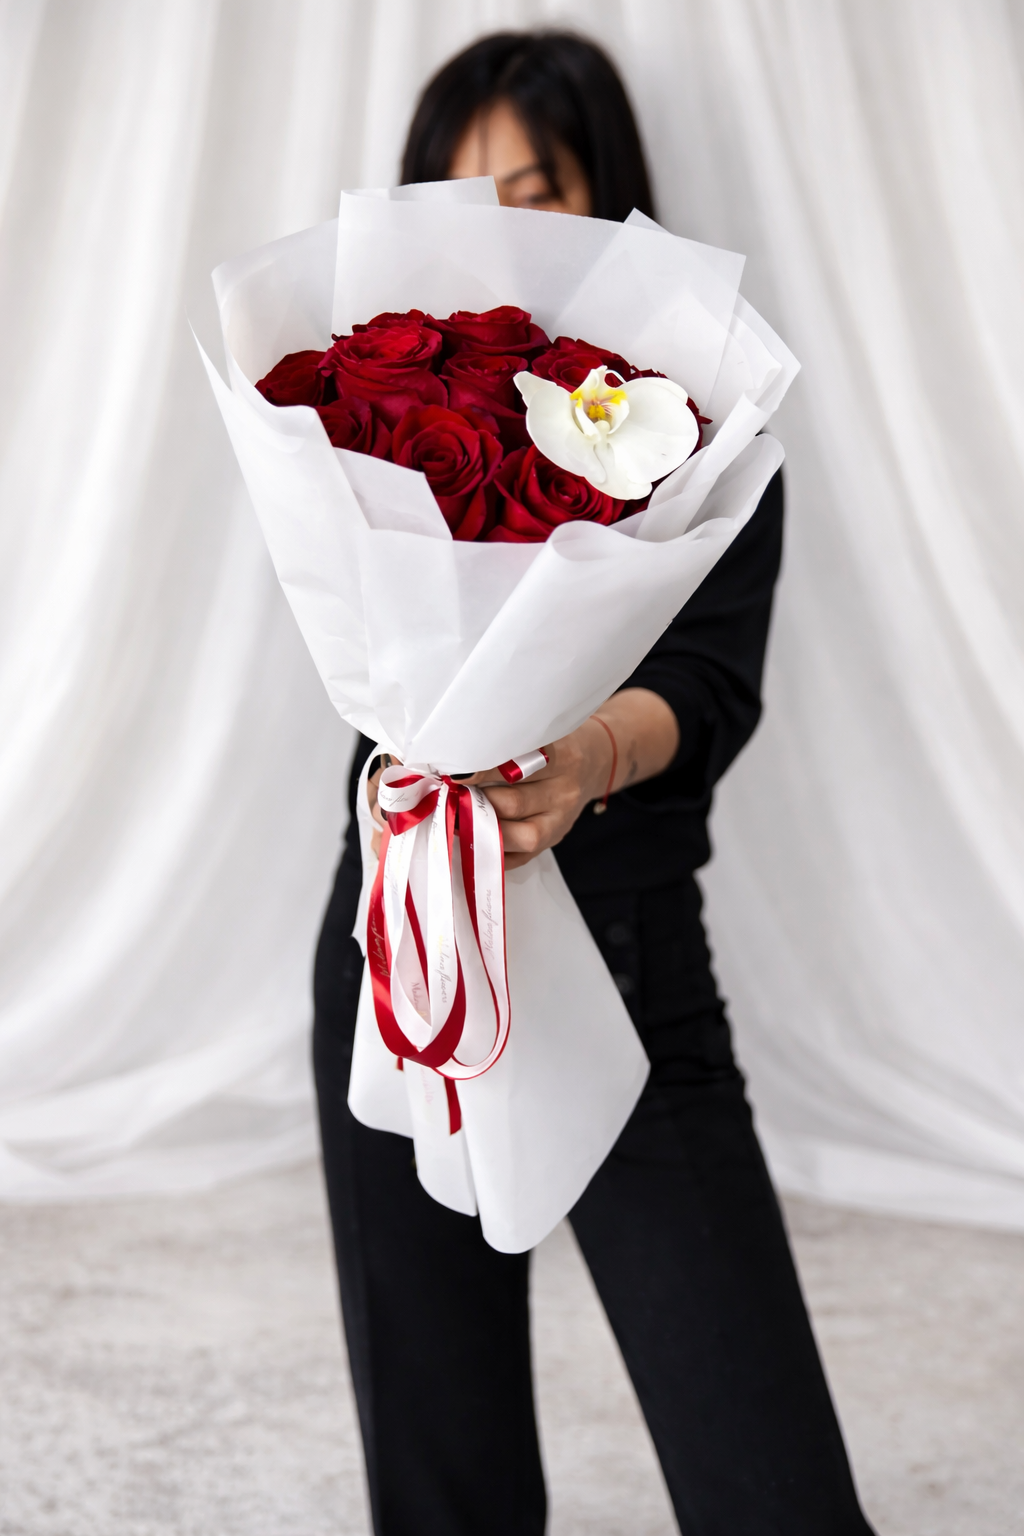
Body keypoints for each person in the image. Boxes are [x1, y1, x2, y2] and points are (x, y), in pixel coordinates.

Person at [313, 30, 875, 1536]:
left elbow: (713, 684)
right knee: (445, 1488)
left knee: (773, 1496)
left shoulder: (705, 413)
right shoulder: (370, 416)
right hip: (403, 947)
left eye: (537, 187)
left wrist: (581, 758)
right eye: (461, 193)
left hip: (621, 953)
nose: (499, 225)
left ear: (607, 193)